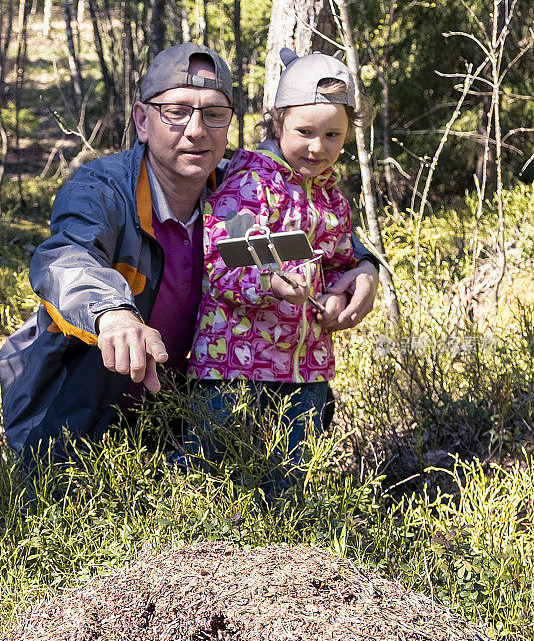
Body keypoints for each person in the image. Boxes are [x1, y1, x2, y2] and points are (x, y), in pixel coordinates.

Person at [0, 43, 379, 465]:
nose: (196, 131)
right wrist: (114, 313)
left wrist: (364, 266)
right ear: (143, 120)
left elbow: (305, 220)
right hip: (73, 417)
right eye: (176, 112)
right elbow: (65, 257)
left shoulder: (242, 187)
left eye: (214, 115)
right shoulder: (102, 191)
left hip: (177, 423)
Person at [185, 48, 373, 476]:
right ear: (277, 121)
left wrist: (345, 289)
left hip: (306, 367)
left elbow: (341, 260)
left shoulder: (331, 198)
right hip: (233, 364)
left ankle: (291, 542)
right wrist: (270, 285)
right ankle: (187, 541)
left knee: (291, 476)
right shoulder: (253, 183)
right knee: (210, 470)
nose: (317, 146)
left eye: (333, 136)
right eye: (304, 130)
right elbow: (222, 262)